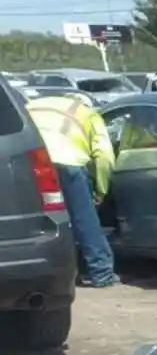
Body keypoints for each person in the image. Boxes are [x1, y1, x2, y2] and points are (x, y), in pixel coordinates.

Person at [26, 91, 117, 287]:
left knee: (39, 219)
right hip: (67, 164)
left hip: (29, 163)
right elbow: (104, 157)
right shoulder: (88, 114)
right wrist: (101, 190)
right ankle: (101, 272)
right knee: (83, 218)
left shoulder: (31, 106)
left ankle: (39, 274)